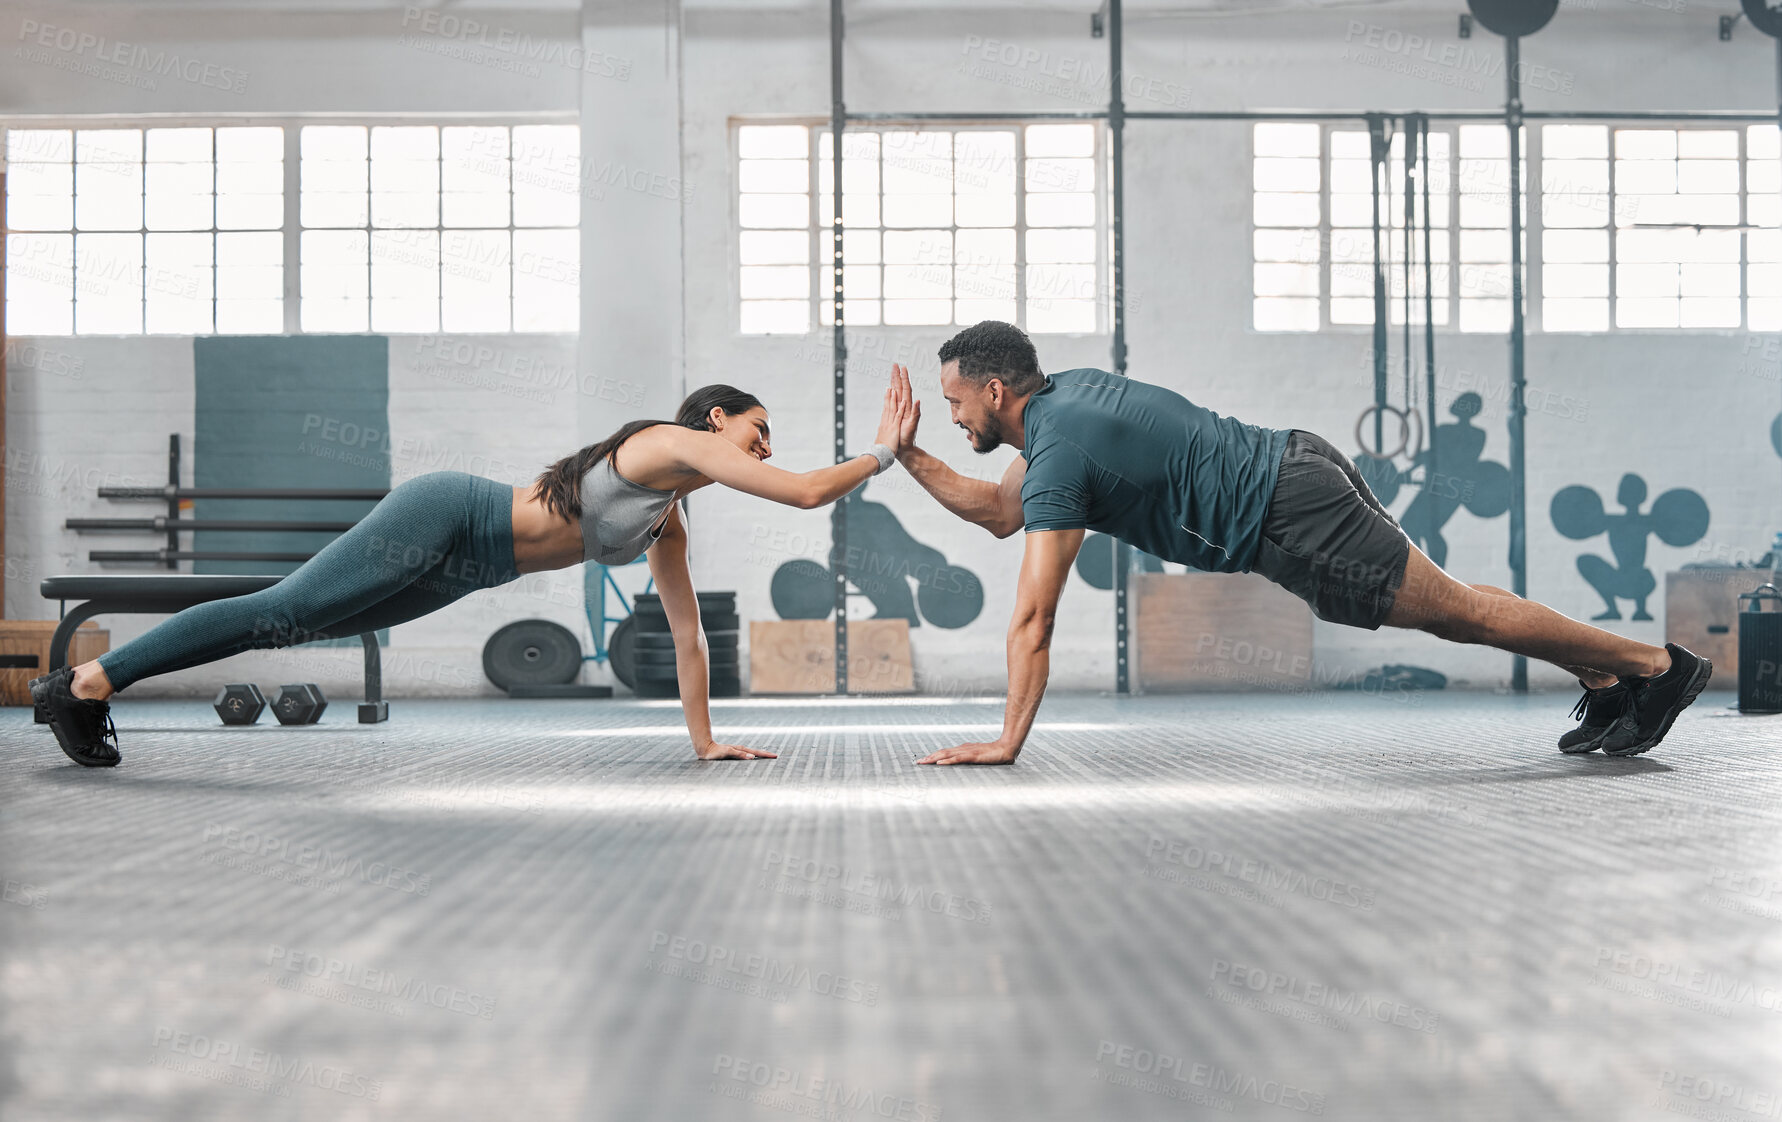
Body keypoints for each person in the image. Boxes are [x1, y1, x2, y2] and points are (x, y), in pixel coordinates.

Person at [887, 320, 1712, 765]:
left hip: (1288, 512)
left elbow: (1033, 618)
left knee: (1459, 615)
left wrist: (1007, 741)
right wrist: (905, 453)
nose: (954, 417)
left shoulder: (1061, 453)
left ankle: (1654, 670)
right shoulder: (1061, 404)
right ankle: (1605, 675)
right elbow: (1001, 513)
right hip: (1292, 465)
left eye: (955, 404)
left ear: (996, 391)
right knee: (1457, 610)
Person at [31, 384, 910, 768]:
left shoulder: (666, 522)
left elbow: (685, 639)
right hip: (455, 513)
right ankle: (83, 684)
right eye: (759, 427)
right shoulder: (670, 442)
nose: (766, 443)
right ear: (718, 420)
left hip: (471, 569)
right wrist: (882, 450)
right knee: (284, 610)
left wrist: (706, 740)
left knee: (304, 624)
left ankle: (83, 685)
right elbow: (801, 495)